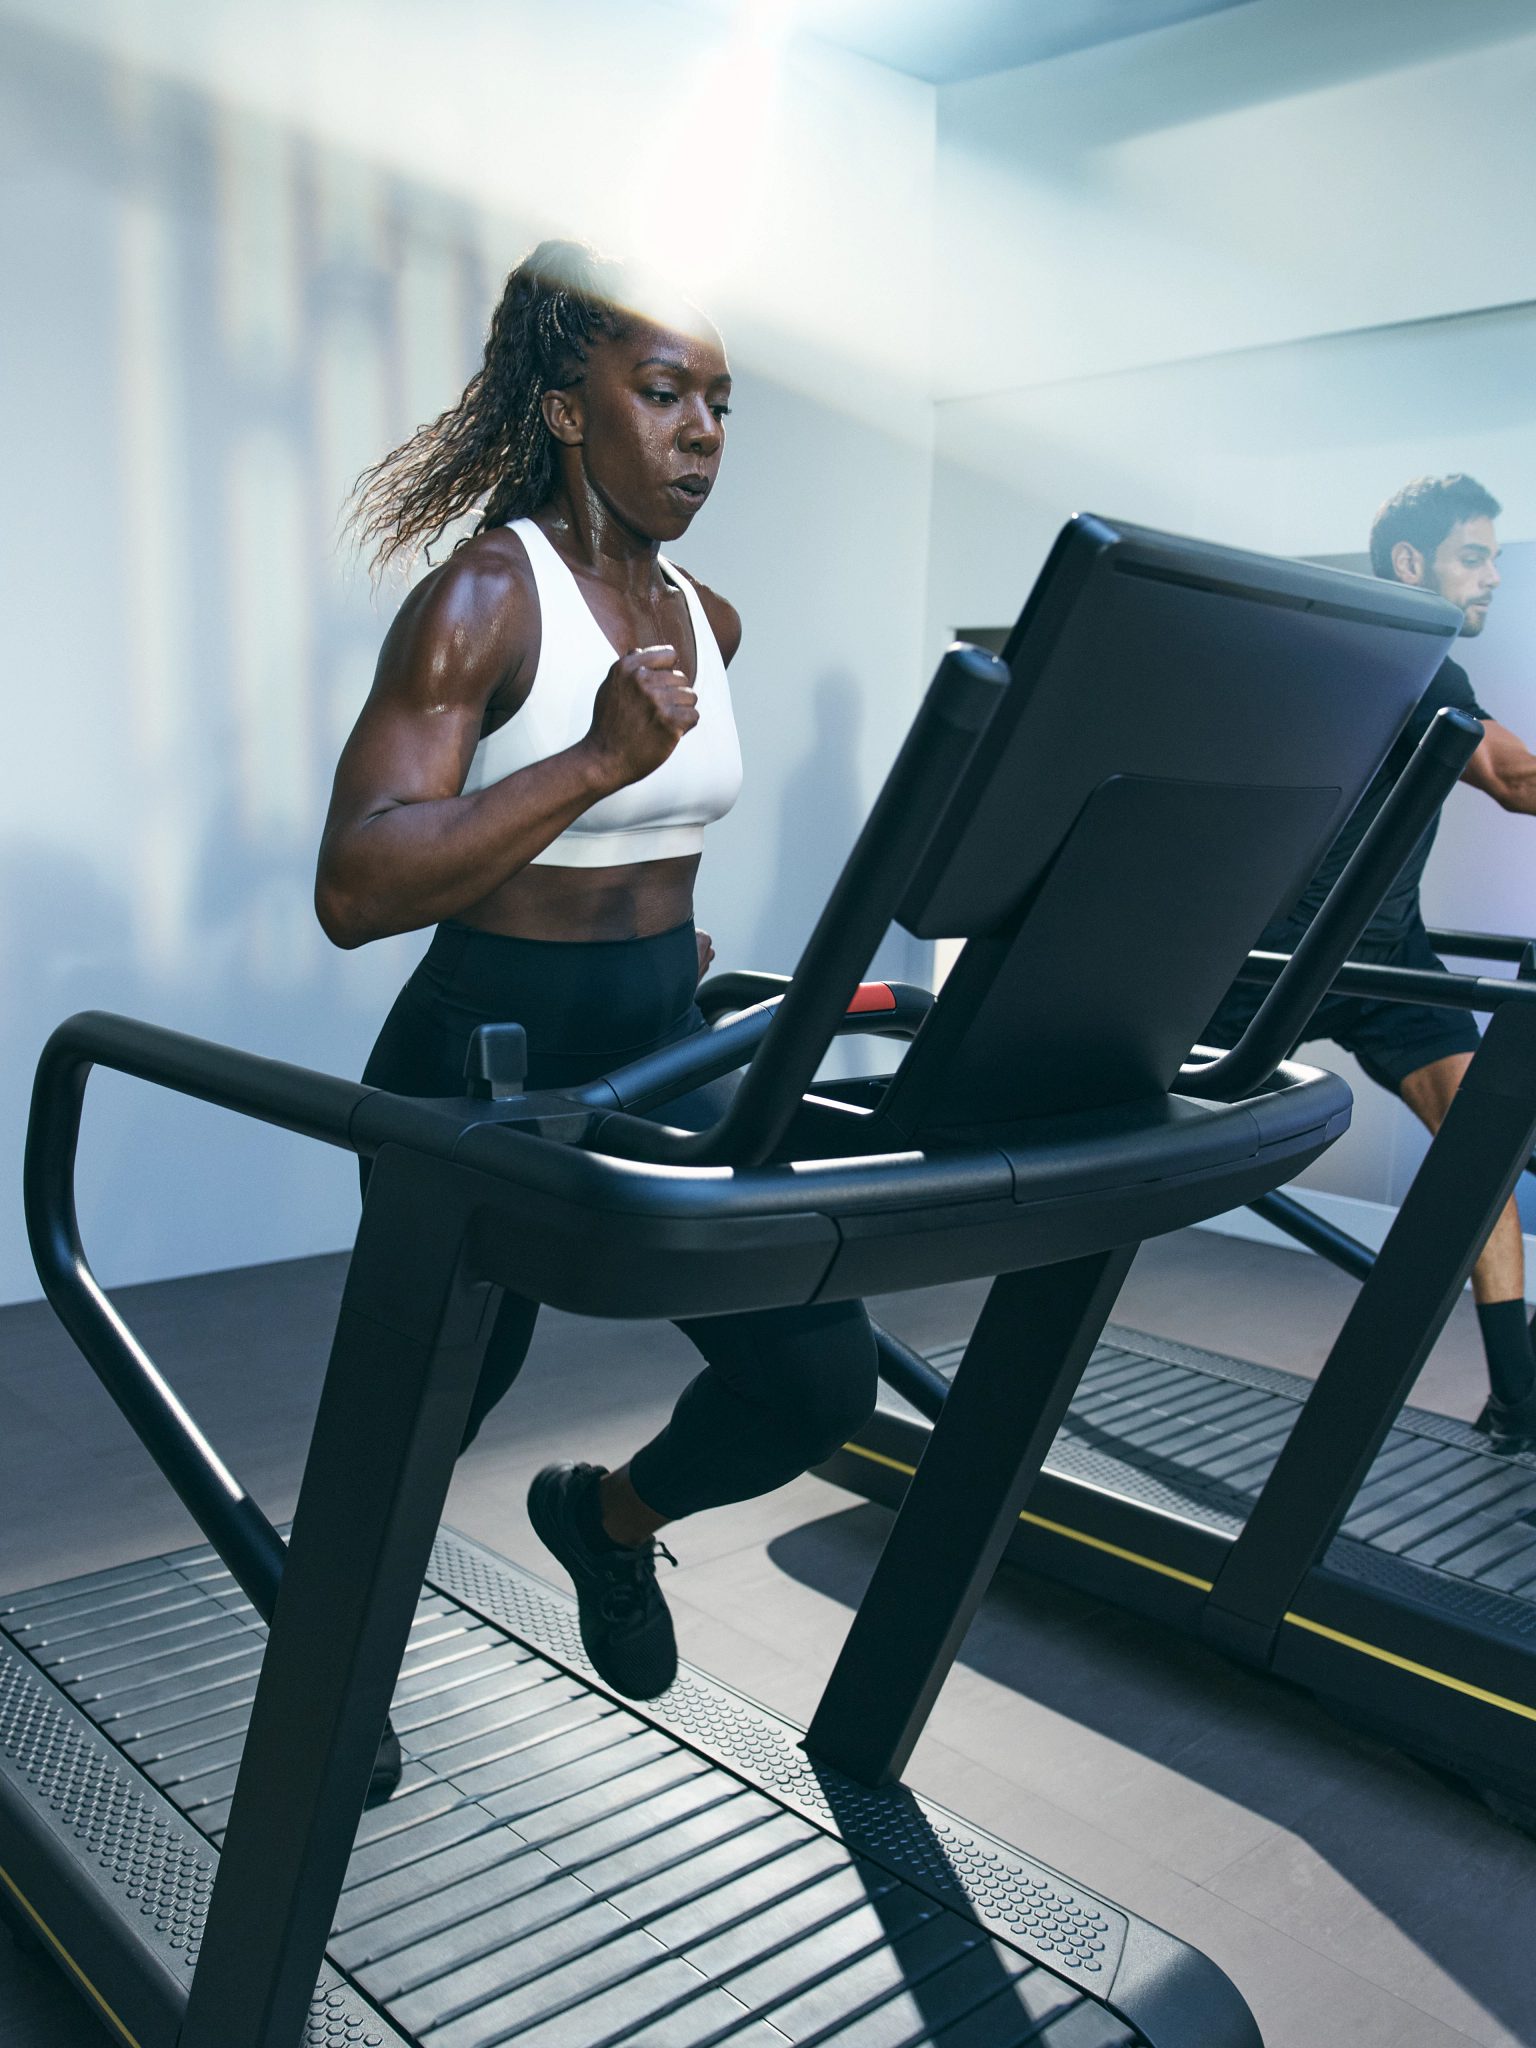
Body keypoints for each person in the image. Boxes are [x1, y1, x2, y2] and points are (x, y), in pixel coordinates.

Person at [315, 241, 876, 1706]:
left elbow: (663, 822)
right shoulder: (484, 600)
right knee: (425, 1421)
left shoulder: (711, 618)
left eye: (723, 403)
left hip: (655, 1043)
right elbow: (358, 886)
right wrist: (590, 763)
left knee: (815, 1381)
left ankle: (605, 1524)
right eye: (666, 392)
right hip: (479, 1061)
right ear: (570, 410)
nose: (703, 432)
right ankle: (334, 1689)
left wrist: (652, 934)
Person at [1208, 474, 1536, 1450]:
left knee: (1484, 1143)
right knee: (1136, 1150)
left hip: (1388, 953)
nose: (1490, 577)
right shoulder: (1407, 663)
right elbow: (1518, 781)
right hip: (1275, 961)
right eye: (1473, 556)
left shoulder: (1420, 662)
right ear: (1410, 563)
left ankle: (1515, 1397)